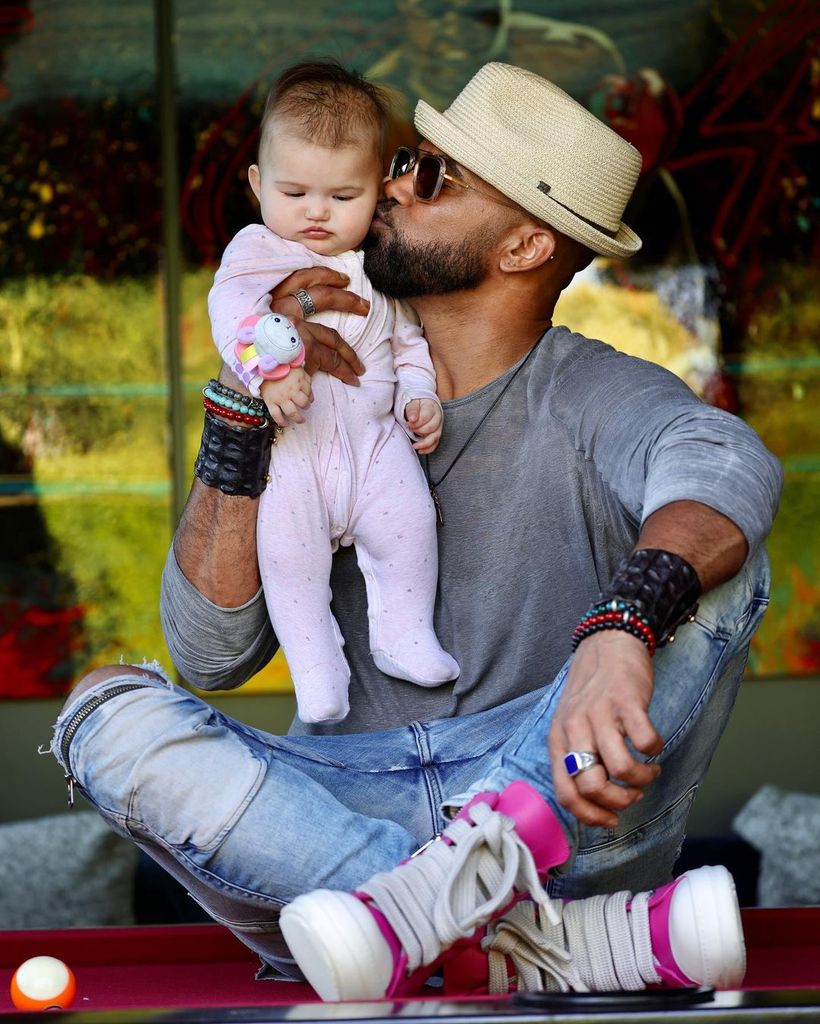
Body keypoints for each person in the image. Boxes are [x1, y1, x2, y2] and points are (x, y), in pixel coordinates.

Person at [50, 62, 782, 999]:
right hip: (343, 810)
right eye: (403, 162)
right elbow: (211, 653)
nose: (390, 184)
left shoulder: (597, 395)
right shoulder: (308, 369)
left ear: (522, 245)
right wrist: (247, 396)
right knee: (104, 712)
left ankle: (434, 907)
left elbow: (727, 469)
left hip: (550, 813)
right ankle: (521, 940)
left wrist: (623, 625)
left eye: (433, 177)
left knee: (717, 561)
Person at [207, 60, 458, 723]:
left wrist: (418, 396)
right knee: (290, 562)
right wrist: (270, 368)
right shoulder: (258, 251)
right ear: (258, 184)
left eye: (343, 198)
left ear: (376, 192)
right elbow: (232, 313)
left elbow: (408, 342)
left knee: (410, 525)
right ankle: (317, 669)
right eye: (295, 193)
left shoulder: (383, 263)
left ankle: (404, 636)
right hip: (295, 448)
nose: (316, 213)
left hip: (375, 443)